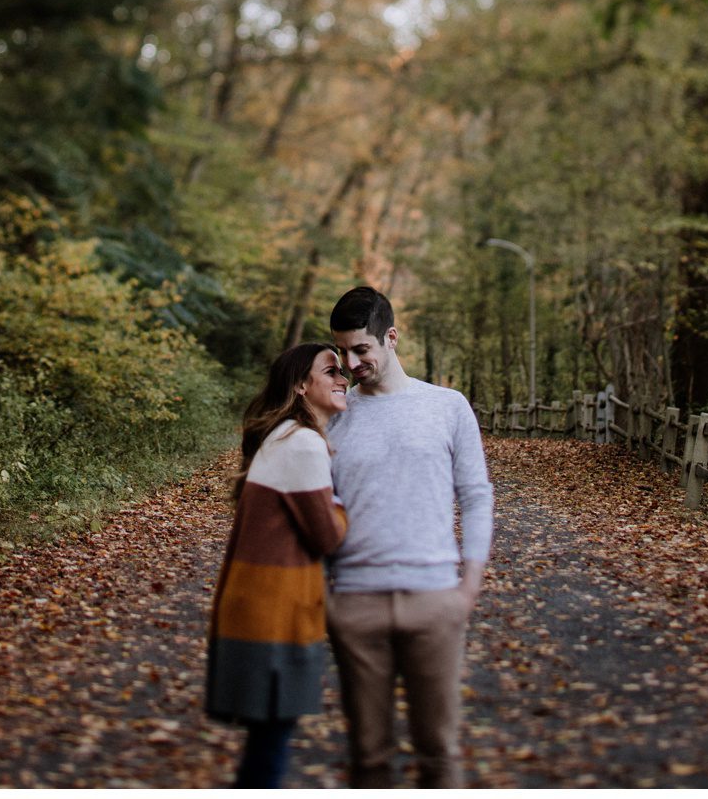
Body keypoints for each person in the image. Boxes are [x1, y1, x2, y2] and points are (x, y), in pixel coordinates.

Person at [324, 286, 494, 788]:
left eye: (361, 349)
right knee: (369, 758)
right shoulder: (333, 416)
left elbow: (477, 495)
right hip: (355, 603)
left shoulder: (447, 406)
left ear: (391, 338)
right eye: (342, 352)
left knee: (438, 752)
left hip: (434, 599)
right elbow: (313, 509)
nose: (351, 363)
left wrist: (469, 586)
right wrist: (325, 599)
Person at [205, 342, 352, 788]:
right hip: (272, 619)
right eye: (331, 371)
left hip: (259, 611)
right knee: (268, 757)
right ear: (302, 385)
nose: (343, 377)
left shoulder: (287, 436)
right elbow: (327, 535)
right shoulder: (303, 443)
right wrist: (344, 504)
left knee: (265, 750)